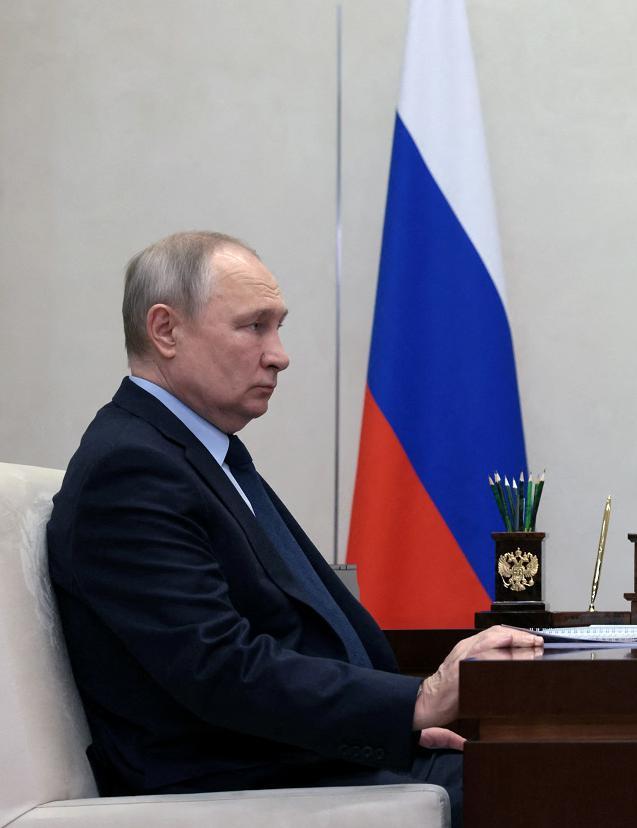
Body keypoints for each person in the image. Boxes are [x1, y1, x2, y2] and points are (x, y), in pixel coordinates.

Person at [46, 231, 541, 826]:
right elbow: (219, 668)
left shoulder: (202, 452)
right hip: (229, 783)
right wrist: (416, 700)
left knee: (552, 767)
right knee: (550, 787)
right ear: (165, 331)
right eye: (254, 327)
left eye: (277, 327)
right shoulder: (130, 469)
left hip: (296, 755)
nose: (280, 354)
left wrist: (404, 716)